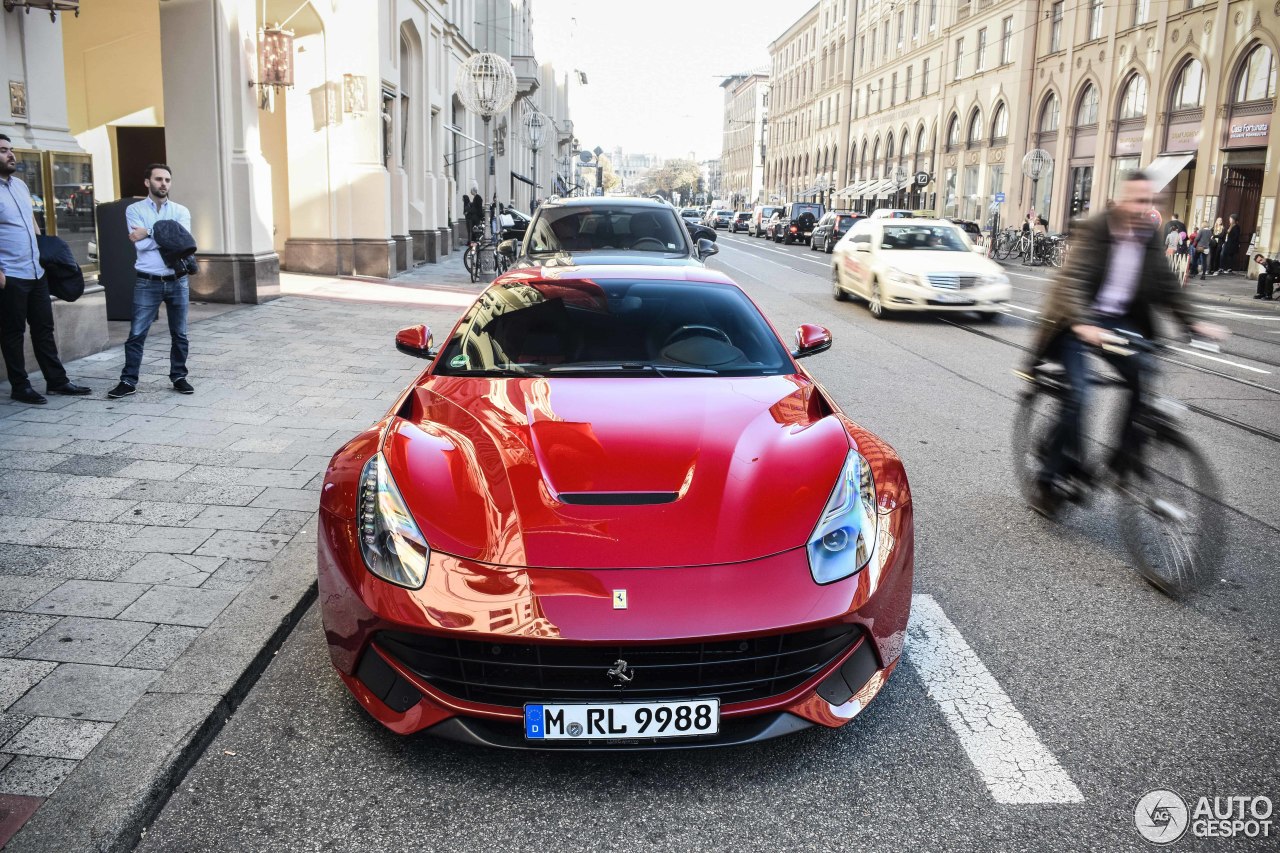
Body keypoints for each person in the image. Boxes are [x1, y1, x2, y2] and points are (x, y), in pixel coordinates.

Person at [1028, 170, 1225, 517]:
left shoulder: (1148, 235)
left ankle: (1122, 461)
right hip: (1076, 319)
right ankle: (1048, 478)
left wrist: (1192, 321)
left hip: (1116, 321)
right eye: (1136, 200)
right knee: (1080, 394)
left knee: (1141, 378)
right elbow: (1073, 281)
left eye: (1148, 202)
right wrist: (1084, 323)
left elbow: (1165, 285)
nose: (1142, 208)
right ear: (1120, 201)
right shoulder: (1096, 229)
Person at [0, 133, 90, 404]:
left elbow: (31, 222)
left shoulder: (20, 186)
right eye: (3, 150)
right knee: (13, 333)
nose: (11, 155)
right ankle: (20, 386)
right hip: (11, 275)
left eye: (11, 149)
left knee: (43, 328)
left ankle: (57, 381)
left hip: (36, 271)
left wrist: (42, 252)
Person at [107, 163, 193, 399]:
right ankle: (128, 381)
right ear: (147, 182)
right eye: (158, 179)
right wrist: (164, 233)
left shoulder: (181, 210)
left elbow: (183, 242)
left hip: (177, 281)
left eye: (167, 180)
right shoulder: (134, 210)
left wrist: (149, 231)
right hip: (148, 281)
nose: (163, 184)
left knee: (180, 333)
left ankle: (179, 377)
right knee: (136, 334)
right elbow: (141, 244)